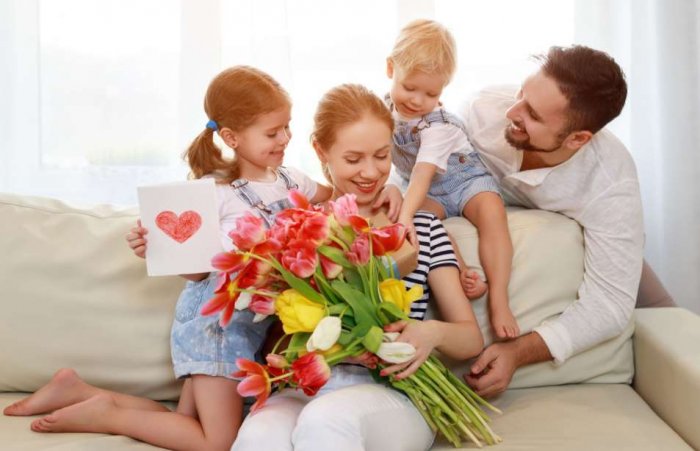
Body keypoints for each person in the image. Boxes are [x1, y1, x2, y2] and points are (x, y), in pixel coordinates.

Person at [3, 66, 401, 450]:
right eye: (272, 132)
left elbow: (341, 200)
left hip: (250, 326)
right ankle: (107, 415)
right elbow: (197, 274)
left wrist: (393, 190)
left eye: (286, 127)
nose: (284, 138)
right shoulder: (215, 192)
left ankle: (77, 391)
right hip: (216, 326)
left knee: (187, 421)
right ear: (231, 137)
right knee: (217, 441)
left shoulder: (290, 179)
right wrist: (154, 246)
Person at [231, 84, 484, 451]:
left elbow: (470, 339)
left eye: (382, 156)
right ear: (321, 151)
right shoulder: (297, 230)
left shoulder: (420, 228)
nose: (370, 172)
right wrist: (326, 345)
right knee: (261, 432)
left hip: (394, 391)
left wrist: (430, 333)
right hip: (310, 384)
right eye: (353, 159)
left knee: (327, 419)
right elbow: (274, 339)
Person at [461, 45, 647, 398]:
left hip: (605, 234)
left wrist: (518, 352)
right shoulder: (482, 113)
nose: (512, 112)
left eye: (532, 114)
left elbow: (609, 305)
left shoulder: (610, 181)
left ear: (577, 139)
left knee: (657, 307)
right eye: (521, 94)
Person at [385, 19, 518, 339]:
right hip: (430, 191)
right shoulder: (381, 112)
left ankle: (499, 299)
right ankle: (463, 272)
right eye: (409, 87)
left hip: (465, 180)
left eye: (431, 93)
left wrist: (404, 215)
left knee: (492, 213)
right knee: (422, 224)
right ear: (390, 69)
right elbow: (381, 156)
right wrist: (396, 195)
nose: (417, 100)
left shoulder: (439, 125)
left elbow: (421, 173)